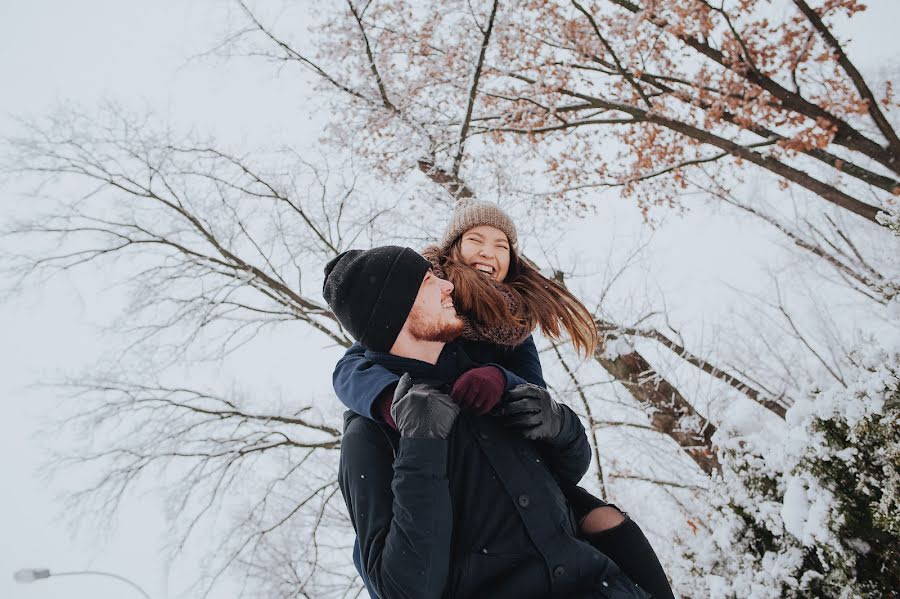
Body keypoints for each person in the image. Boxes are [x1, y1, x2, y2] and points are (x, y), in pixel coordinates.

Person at [332, 201, 675, 598]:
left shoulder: (513, 327)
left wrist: (542, 412)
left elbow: (546, 442)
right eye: (475, 240)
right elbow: (354, 364)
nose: (487, 253)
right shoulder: (374, 430)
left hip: (587, 566)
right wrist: (396, 408)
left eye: (502, 246)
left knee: (605, 520)